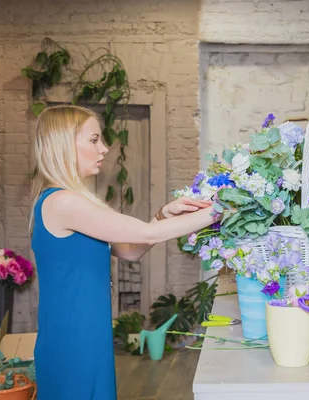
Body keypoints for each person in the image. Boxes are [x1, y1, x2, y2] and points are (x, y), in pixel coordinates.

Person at [30, 105, 217, 400]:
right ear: (64, 144)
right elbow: (147, 234)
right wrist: (224, 209)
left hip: (87, 332)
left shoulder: (67, 201)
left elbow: (131, 251)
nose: (104, 148)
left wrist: (164, 214)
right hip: (72, 338)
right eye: (94, 140)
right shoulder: (63, 202)